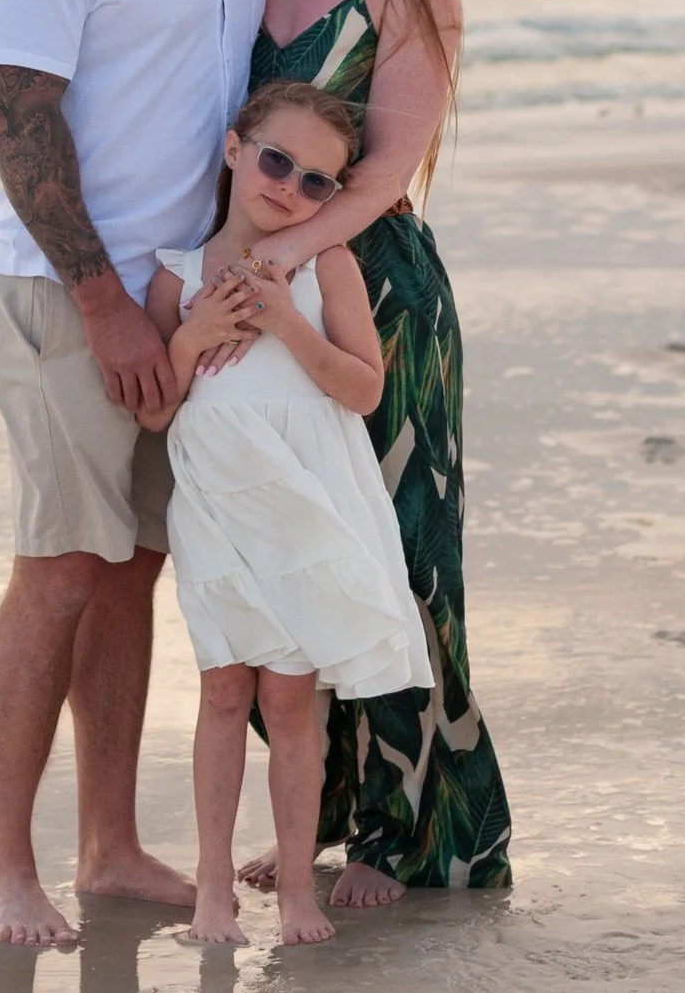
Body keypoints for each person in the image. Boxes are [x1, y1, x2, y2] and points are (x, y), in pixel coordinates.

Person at [0, 0, 265, 947]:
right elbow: (17, 116)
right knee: (61, 567)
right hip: (62, 294)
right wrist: (102, 303)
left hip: (174, 303)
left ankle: (109, 845)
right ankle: (2, 868)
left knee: (134, 567)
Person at [225, 0, 514, 901]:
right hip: (264, 287)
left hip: (375, 292)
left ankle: (421, 831)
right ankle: (326, 819)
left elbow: (389, 164)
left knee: (395, 550)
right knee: (292, 545)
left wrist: (280, 255)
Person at [135, 80, 434, 948]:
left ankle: (299, 888)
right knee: (224, 691)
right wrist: (191, 337)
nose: (290, 188)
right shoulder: (176, 275)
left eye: (316, 182)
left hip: (302, 510)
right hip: (220, 510)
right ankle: (213, 893)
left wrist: (283, 322)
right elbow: (155, 414)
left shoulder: (325, 266)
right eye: (275, 161)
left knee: (293, 700)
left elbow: (365, 386)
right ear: (233, 150)